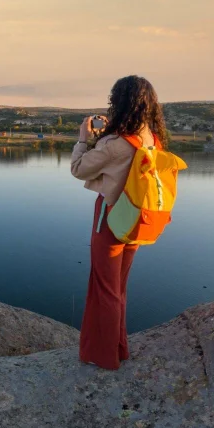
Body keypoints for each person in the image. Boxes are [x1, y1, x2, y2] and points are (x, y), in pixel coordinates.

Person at [70, 75, 169, 370]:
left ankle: (103, 357)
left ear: (120, 103)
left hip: (111, 220)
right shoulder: (153, 139)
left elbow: (78, 168)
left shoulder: (115, 144)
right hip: (137, 220)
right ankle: (119, 348)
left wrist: (84, 138)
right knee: (119, 288)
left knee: (105, 289)